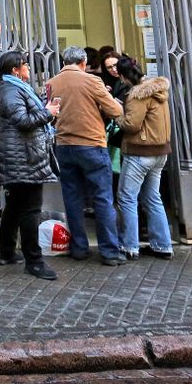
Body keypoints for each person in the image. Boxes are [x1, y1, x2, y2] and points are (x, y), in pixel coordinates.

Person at [0, 51, 58, 280]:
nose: (28, 67)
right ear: (15, 70)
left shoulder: (14, 88)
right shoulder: (11, 90)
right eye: (25, 64)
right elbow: (22, 121)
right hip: (23, 157)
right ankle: (34, 261)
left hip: (22, 154)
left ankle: (6, 251)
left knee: (16, 205)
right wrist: (47, 113)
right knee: (31, 209)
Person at [50, 45, 124, 265]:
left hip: (64, 145)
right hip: (91, 144)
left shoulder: (52, 82)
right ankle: (109, 252)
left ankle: (79, 248)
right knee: (102, 198)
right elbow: (115, 111)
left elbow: (50, 114)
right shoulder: (92, 80)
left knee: (72, 199)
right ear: (83, 62)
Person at [116, 73, 173, 260]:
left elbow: (131, 125)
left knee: (127, 198)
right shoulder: (160, 93)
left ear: (125, 77)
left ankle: (129, 246)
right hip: (160, 152)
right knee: (153, 198)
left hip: (140, 152)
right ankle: (163, 245)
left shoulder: (138, 95)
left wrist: (117, 116)